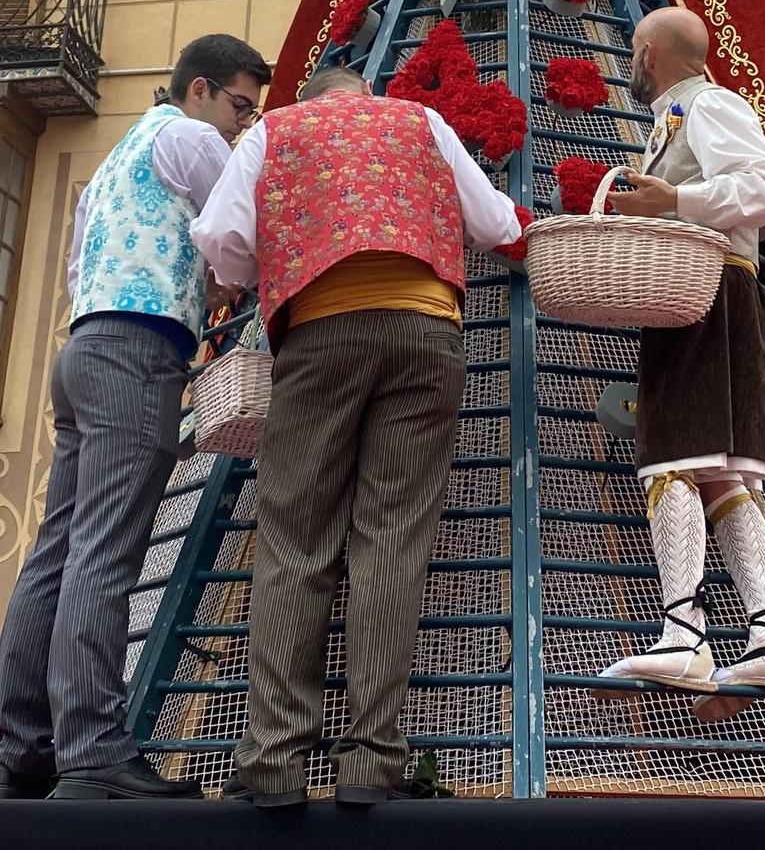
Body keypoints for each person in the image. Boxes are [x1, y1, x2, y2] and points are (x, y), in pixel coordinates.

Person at [191, 66, 523, 808]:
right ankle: (373, 761)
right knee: (392, 540)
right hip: (425, 331)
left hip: (320, 336)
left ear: (313, 103)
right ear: (365, 96)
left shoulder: (273, 131)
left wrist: (265, 266)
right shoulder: (419, 122)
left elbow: (221, 236)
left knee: (296, 539)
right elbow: (497, 225)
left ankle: (275, 760)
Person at [0, 34, 272, 801]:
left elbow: (89, 265)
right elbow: (241, 220)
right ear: (202, 89)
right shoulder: (187, 136)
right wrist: (225, 278)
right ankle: (92, 748)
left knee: (56, 550)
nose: (242, 126)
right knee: (105, 555)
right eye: (240, 106)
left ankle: (19, 745)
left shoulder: (117, 159)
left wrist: (193, 277)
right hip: (137, 351)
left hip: (81, 347)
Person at [595, 6, 765, 700]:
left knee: (671, 458)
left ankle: (684, 636)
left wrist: (674, 197)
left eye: (631, 50)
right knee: (720, 474)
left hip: (705, 298)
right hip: (717, 299)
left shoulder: (707, 105)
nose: (629, 62)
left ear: (649, 54)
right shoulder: (681, 119)